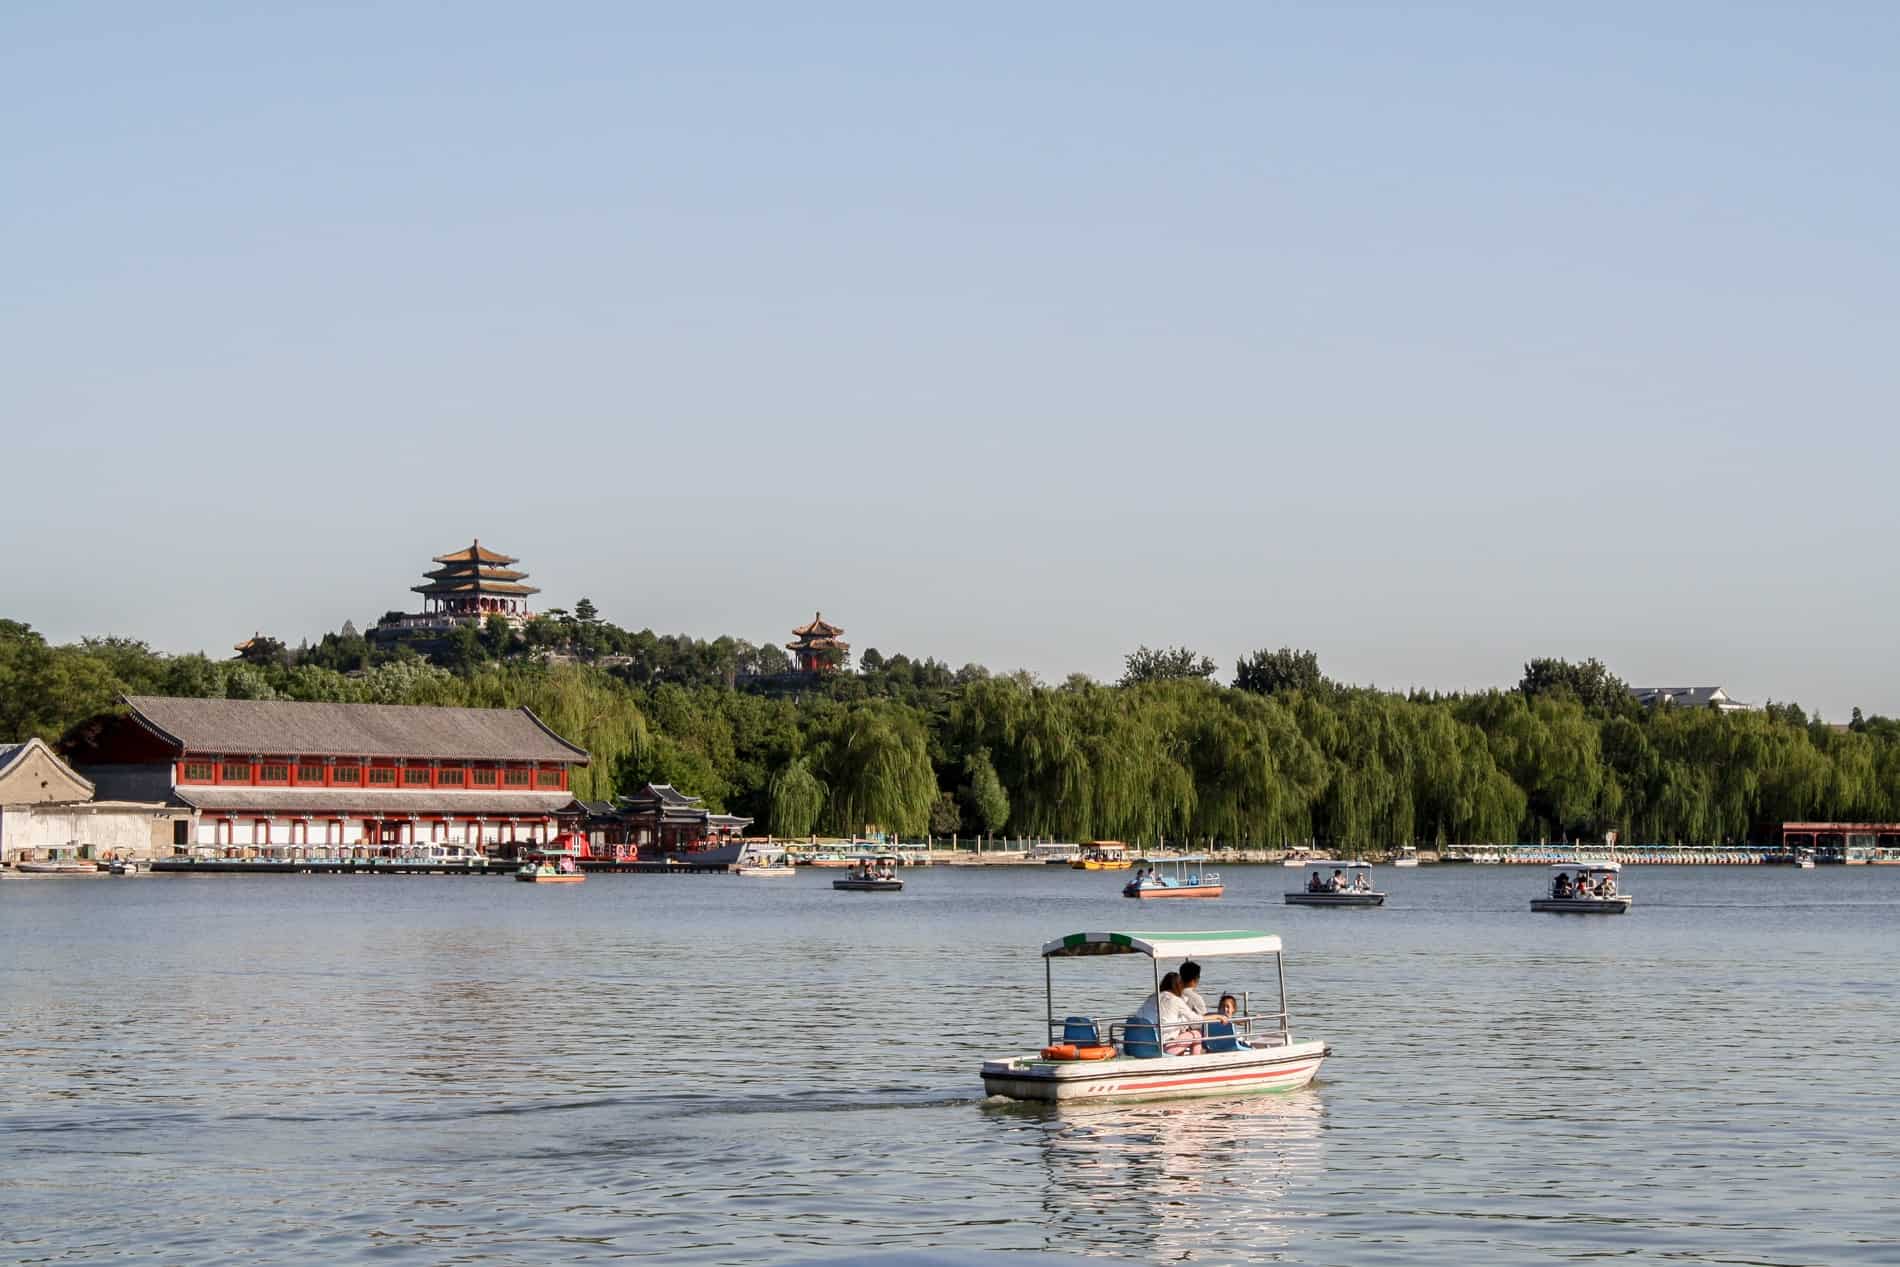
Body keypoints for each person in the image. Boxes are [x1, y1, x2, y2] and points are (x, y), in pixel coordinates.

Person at [1134, 971, 1204, 1055]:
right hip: (1163, 1046)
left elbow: (1138, 1015)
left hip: (1143, 1042)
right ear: (1179, 986)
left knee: (1180, 1032)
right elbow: (1196, 1019)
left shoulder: (1151, 998)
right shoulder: (1175, 1000)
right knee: (1196, 1034)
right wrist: (1217, 1017)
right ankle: (1195, 1061)